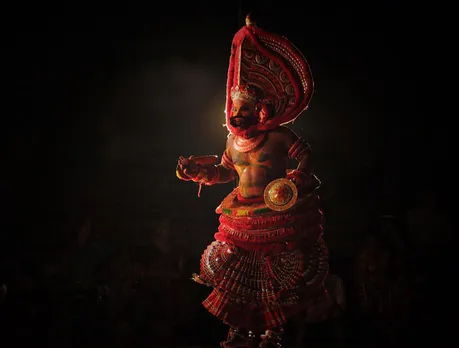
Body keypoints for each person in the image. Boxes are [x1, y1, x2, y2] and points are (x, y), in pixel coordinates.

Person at [176, 15, 330, 348]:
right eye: (234, 108)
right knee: (239, 278)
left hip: (275, 211)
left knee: (273, 277)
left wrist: (300, 177)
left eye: (243, 108)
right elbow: (227, 172)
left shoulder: (277, 137)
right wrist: (196, 172)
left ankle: (273, 331)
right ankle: (239, 330)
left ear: (259, 110)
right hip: (243, 215)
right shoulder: (232, 142)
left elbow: (306, 154)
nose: (236, 114)